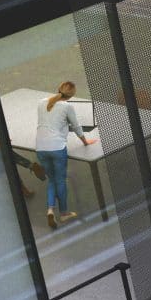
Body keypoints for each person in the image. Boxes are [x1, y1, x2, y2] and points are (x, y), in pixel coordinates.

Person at [34, 82, 95, 228]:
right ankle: (63, 213)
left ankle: (50, 210)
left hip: (40, 147)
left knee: (52, 180)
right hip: (57, 148)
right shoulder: (67, 106)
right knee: (60, 181)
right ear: (71, 95)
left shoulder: (41, 102)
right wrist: (85, 142)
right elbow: (76, 126)